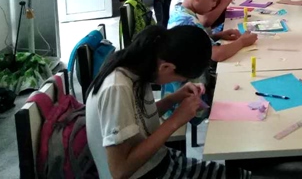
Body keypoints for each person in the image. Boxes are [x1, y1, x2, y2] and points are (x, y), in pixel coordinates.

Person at [86, 25, 232, 179]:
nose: (176, 82)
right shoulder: (117, 88)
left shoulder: (138, 67)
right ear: (166, 67)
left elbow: (136, 117)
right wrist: (175, 120)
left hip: (160, 163)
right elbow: (120, 171)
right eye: (180, 79)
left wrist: (173, 98)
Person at [168, 0, 257, 63]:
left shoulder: (181, 11)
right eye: (214, 0)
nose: (214, 4)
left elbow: (195, 43)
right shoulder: (187, 22)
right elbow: (217, 55)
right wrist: (242, 42)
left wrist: (217, 36)